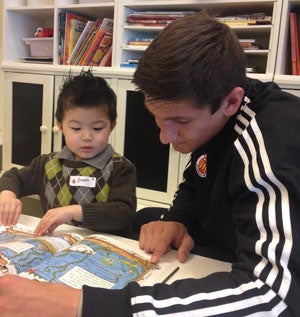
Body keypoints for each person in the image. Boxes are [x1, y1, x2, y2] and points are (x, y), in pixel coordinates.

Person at [0, 12, 300, 316]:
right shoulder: (215, 117)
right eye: (157, 117)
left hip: (251, 276)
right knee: (148, 218)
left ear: (231, 102)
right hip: (213, 259)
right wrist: (178, 219)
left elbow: (274, 296)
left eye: (180, 121)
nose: (164, 137)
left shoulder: (271, 142)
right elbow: (197, 180)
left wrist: (79, 305)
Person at [0, 70, 136, 237]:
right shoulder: (48, 163)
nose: (87, 137)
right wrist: (7, 195)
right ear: (61, 125)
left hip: (102, 250)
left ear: (112, 126)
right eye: (76, 128)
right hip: (57, 245)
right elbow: (12, 177)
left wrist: (75, 211)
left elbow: (123, 214)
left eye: (98, 128)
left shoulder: (120, 168)